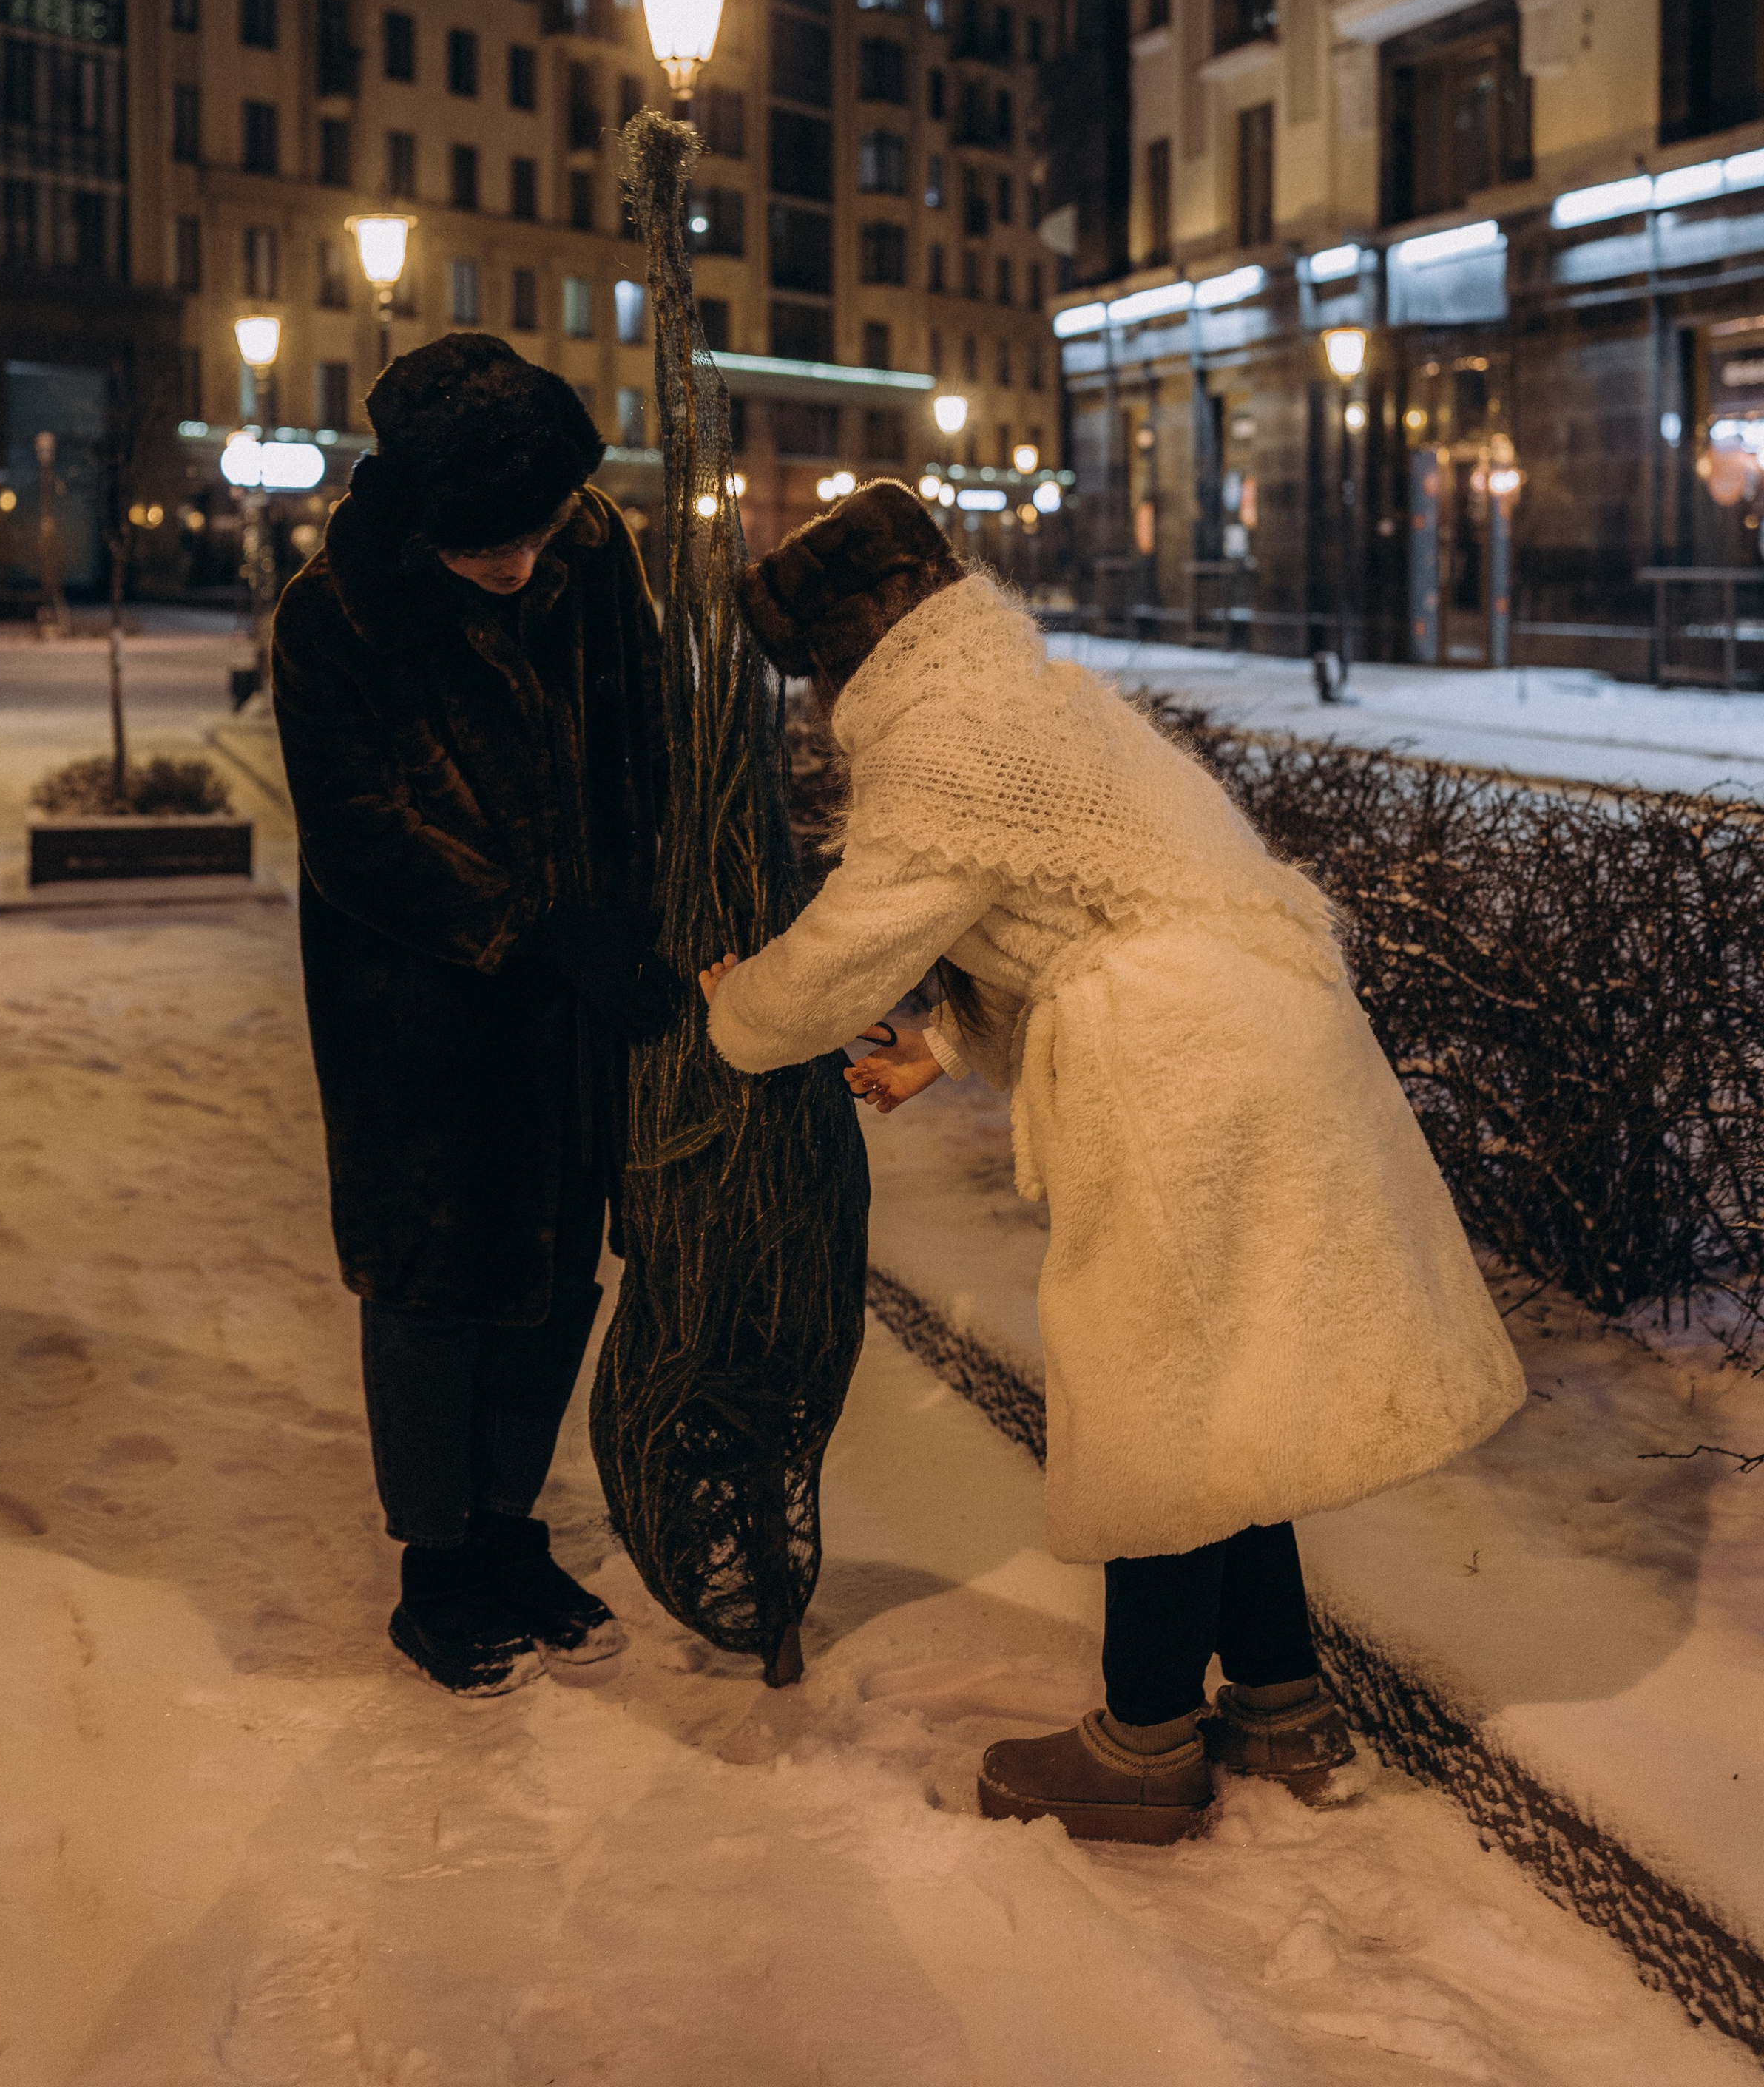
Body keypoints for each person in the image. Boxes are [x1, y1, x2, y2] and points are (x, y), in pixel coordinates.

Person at [699, 480, 1524, 1845]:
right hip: (1262, 1032)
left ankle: (1143, 1737)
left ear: (848, 651)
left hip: (1178, 1069)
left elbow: (860, 938)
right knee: (1229, 1390)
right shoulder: (1041, 695)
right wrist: (944, 1048)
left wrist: (740, 1014)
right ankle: (1282, 1703)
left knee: (1156, 1399)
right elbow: (1079, 892)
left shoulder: (941, 735)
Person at [271, 334, 669, 1695]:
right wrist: (524, 928)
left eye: (535, 530)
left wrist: (642, 917)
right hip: (418, 1023)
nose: (516, 561)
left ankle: (509, 1531)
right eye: (486, 542)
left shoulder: (593, 552)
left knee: (559, 1273)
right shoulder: (335, 616)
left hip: (577, 1002)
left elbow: (642, 736)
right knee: (436, 1286)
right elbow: (357, 835)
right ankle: (434, 1564)